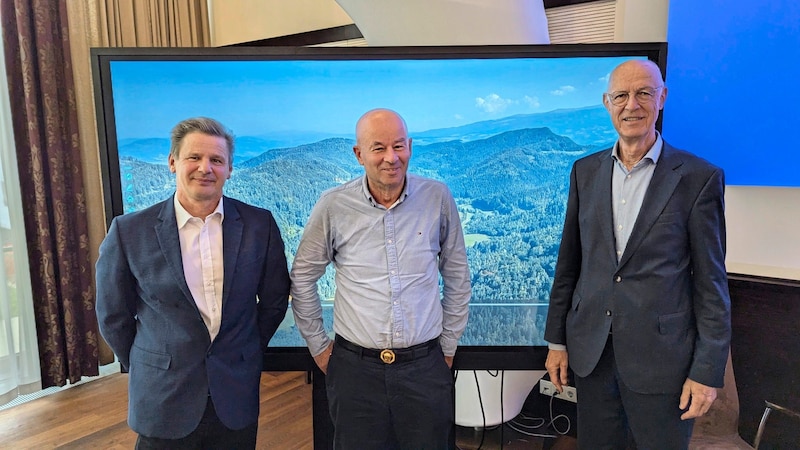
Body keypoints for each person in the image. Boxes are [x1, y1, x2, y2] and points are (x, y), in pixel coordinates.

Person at [543, 59, 731, 449]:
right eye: (621, 95)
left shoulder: (698, 178)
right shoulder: (584, 172)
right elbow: (569, 265)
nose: (632, 104)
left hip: (663, 363)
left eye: (644, 92)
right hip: (593, 356)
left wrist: (708, 371)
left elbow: (711, 282)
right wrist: (557, 342)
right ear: (607, 103)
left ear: (661, 98)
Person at [95, 117, 290, 449]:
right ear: (172, 162)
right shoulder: (130, 232)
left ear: (229, 169)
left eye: (216, 160)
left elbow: (274, 301)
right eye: (194, 158)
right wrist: (151, 360)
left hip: (235, 392)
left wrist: (244, 350)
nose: (205, 168)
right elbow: (113, 316)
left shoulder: (260, 225)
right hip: (163, 396)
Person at [290, 108, 472, 449]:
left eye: (399, 146)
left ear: (411, 147)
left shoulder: (437, 198)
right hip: (355, 371)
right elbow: (302, 277)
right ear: (359, 154)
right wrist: (319, 347)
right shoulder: (333, 206)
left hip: (424, 368)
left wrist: (446, 348)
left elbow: (458, 276)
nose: (392, 158)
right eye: (378, 148)